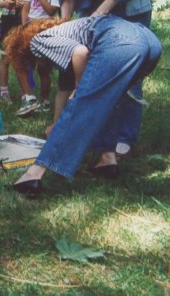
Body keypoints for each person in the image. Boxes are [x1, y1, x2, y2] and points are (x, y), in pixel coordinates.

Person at [15, 0, 152, 155]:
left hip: (130, 3)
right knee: (99, 69)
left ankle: (125, 135)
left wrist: (98, 16)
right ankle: (101, 134)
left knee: (128, 68)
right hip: (95, 6)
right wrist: (64, 23)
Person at [10, 15, 161, 195]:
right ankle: (108, 159)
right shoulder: (67, 32)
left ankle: (33, 175)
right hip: (149, 41)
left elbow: (80, 53)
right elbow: (67, 83)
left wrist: (79, 87)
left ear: (23, 49)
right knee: (108, 101)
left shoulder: (37, 40)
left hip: (123, 41)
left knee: (81, 106)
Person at [14, 0, 60, 114]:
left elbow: (51, 11)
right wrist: (24, 25)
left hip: (45, 29)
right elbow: (25, 9)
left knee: (43, 68)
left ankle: (44, 101)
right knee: (21, 61)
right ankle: (29, 97)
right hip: (29, 28)